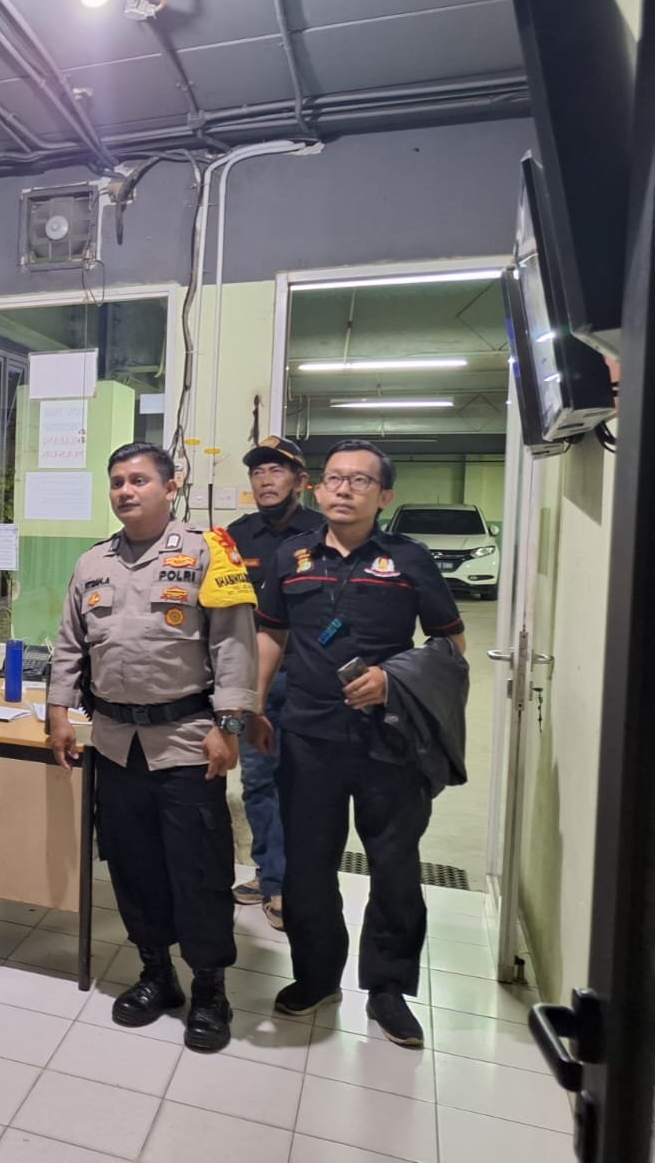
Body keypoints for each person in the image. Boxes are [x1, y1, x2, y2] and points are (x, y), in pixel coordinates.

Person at [249, 439, 465, 1049]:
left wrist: (393, 680)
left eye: (360, 481)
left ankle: (388, 989)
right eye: (334, 478)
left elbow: (451, 646)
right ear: (316, 488)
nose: (343, 489)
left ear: (384, 496)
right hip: (307, 736)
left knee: (394, 867)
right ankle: (317, 977)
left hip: (389, 740)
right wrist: (253, 706)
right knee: (308, 868)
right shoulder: (292, 557)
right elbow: (270, 636)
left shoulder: (409, 559)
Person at [47, 442, 258, 1053]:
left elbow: (233, 645)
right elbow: (70, 644)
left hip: (188, 742)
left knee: (198, 871)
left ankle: (210, 988)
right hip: (116, 744)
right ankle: (156, 974)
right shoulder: (92, 563)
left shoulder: (209, 552)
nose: (125, 491)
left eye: (138, 480)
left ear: (171, 486)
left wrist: (230, 726)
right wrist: (59, 712)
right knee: (133, 865)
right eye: (117, 481)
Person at [224, 435, 325, 931]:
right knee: (259, 781)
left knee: (305, 786)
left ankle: (298, 881)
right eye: (258, 471)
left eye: (277, 470)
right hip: (254, 681)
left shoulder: (323, 534)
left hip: (309, 683)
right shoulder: (237, 536)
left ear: (300, 481)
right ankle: (273, 877)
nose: (265, 479)